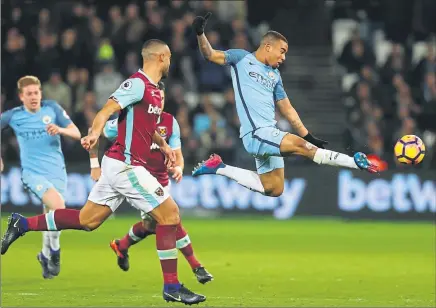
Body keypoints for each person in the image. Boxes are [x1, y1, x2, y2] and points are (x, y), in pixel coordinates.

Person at [1, 39, 206, 305]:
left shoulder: (156, 92)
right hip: (126, 164)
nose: (170, 62)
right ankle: (172, 286)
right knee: (170, 215)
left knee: (88, 220)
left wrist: (165, 145)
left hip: (119, 165)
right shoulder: (137, 84)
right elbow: (106, 110)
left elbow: (149, 126)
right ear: (161, 57)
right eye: (169, 58)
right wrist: (94, 133)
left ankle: (22, 223)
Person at [191, 13, 378, 197]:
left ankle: (220, 167)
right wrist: (200, 34)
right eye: (282, 51)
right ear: (267, 47)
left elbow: (287, 109)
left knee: (274, 189)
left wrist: (308, 135)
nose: (284, 58)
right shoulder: (241, 58)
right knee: (303, 148)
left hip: (269, 133)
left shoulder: (275, 76)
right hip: (256, 133)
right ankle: (353, 161)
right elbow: (210, 55)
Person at [89, 81, 212, 284]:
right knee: (172, 220)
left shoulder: (170, 123)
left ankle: (122, 245)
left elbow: (178, 154)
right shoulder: (129, 120)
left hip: (162, 181)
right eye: (156, 99)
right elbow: (96, 133)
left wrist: (179, 168)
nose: (159, 102)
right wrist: (95, 163)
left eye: (162, 99)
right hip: (137, 179)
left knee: (151, 225)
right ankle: (196, 266)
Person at [0, 75, 81, 279]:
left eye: (36, 92)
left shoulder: (52, 108)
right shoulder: (13, 116)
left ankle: (44, 255)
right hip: (32, 173)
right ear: (21, 97)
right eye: (29, 94)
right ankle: (55, 252)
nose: (34, 97)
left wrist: (60, 129)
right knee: (58, 206)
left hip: (57, 171)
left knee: (51, 215)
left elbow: (76, 133)